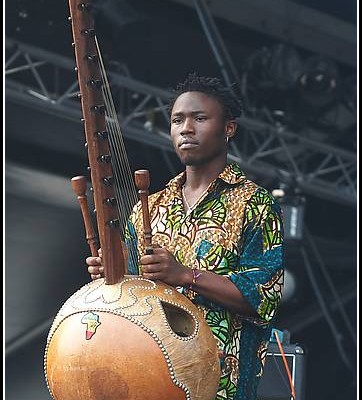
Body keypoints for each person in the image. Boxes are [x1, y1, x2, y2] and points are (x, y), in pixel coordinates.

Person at [87, 73, 284, 400]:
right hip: (148, 375)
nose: (186, 129)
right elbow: (132, 291)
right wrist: (109, 274)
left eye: (200, 118)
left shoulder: (256, 203)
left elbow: (265, 298)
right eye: (177, 120)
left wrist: (186, 276)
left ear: (229, 129)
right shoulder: (150, 206)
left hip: (219, 384)